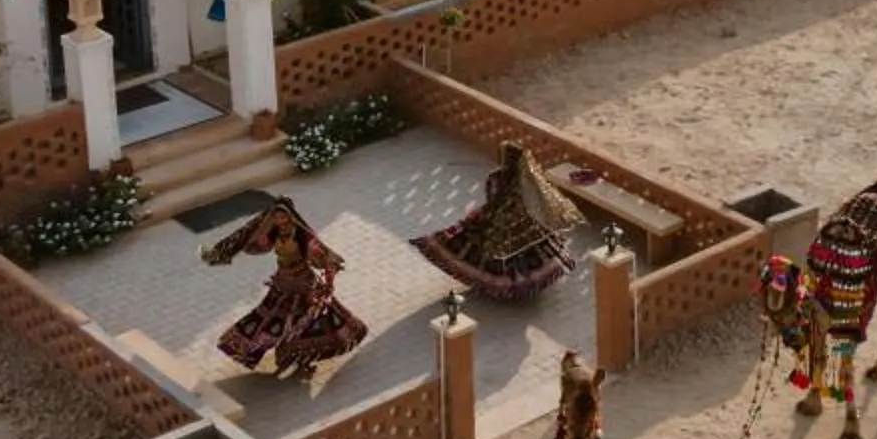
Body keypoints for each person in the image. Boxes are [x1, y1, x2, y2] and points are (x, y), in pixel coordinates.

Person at [203, 196, 368, 377]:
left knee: (307, 322)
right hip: (282, 283)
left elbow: (321, 256)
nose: (280, 221)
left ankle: (301, 357)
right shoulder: (273, 234)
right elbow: (256, 244)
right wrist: (256, 228)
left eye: (283, 217)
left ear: (290, 217)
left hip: (304, 284)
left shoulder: (302, 235)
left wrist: (329, 281)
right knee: (270, 319)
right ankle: (263, 351)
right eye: (276, 218)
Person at [411, 142, 589, 302]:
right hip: (527, 224)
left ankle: (509, 286)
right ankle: (527, 284)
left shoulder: (496, 178)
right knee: (530, 251)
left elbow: (492, 200)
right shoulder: (528, 179)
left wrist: (482, 215)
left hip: (501, 225)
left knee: (490, 249)